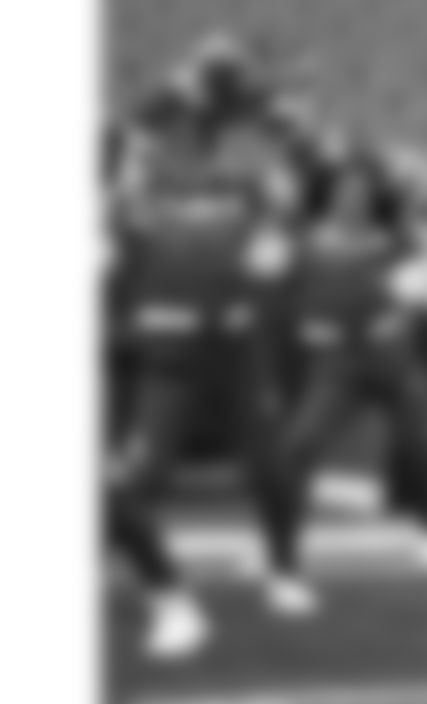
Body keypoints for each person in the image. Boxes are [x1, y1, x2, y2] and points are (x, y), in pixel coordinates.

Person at [105, 39, 301, 657]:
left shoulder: (248, 179)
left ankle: (283, 571)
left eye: (202, 119)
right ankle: (172, 602)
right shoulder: (135, 183)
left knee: (271, 466)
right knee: (124, 492)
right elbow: (129, 139)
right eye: (183, 118)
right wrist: (180, 82)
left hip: (236, 349)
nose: (191, 129)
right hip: (168, 356)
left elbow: (298, 161)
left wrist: (254, 93)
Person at [254, 131, 427, 617]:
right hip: (333, 364)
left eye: (364, 187)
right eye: (346, 186)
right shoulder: (301, 237)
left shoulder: (399, 237)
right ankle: (283, 569)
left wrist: (424, 188)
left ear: (376, 194)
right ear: (329, 190)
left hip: (390, 353)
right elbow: (262, 277)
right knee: (296, 450)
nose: (354, 195)